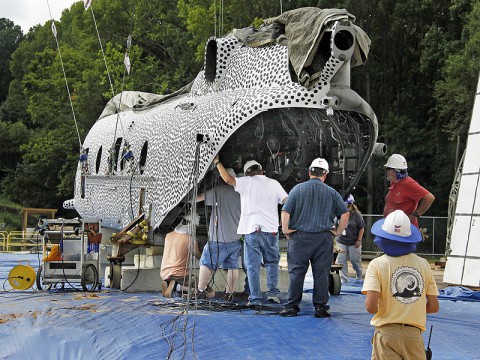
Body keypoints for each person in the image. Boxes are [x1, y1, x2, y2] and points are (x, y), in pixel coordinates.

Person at [362, 210, 439, 360]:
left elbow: (370, 307)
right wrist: (410, 308)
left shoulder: (377, 265)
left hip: (386, 334)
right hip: (414, 335)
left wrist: (392, 308)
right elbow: (434, 306)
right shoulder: (423, 264)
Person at [279, 158, 349, 317]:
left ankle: (292, 307)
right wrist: (337, 232)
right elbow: (345, 214)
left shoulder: (297, 189)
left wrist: (285, 229)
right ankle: (321, 308)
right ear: (326, 174)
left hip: (299, 238)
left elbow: (285, 211)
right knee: (321, 274)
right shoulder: (331, 192)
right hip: (323, 239)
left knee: (296, 273)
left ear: (310, 172)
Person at [214, 155, 288, 306]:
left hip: (252, 231)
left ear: (247, 173)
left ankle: (255, 299)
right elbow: (287, 201)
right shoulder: (274, 183)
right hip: (271, 231)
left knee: (252, 266)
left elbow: (228, 179)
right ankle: (273, 294)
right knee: (272, 262)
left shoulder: (246, 182)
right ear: (261, 170)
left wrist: (217, 162)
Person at [197, 168, 242, 300]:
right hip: (236, 237)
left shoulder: (218, 190)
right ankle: (230, 293)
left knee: (206, 262)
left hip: (218, 239)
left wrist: (183, 200)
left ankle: (201, 290)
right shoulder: (241, 192)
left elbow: (199, 198)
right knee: (233, 266)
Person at [383, 154, 435, 228]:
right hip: (392, 228)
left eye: (387, 169)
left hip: (403, 230)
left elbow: (430, 198)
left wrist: (415, 215)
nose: (387, 172)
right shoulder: (394, 183)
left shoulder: (408, 183)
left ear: (393, 171)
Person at [160, 213, 202, 298]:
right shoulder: (190, 239)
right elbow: (199, 257)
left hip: (164, 273)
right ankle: (178, 287)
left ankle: (170, 284)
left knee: (189, 284)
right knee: (204, 291)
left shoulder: (168, 235)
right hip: (179, 275)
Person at [336, 194, 365, 283]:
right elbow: (335, 225)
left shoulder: (357, 214)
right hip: (341, 241)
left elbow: (361, 228)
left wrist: (359, 240)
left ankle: (359, 276)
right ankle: (344, 279)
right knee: (341, 260)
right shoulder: (339, 213)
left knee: (354, 260)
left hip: (354, 242)